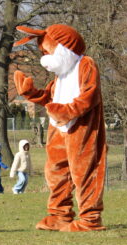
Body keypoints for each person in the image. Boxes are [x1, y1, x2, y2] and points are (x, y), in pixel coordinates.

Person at [14, 24, 108, 231]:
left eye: (48, 51)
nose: (45, 58)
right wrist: (30, 93)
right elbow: (50, 97)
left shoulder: (86, 65)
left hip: (81, 129)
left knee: (84, 172)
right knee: (56, 171)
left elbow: (90, 95)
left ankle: (90, 219)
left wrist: (67, 111)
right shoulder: (60, 76)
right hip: (58, 130)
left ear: (65, 47)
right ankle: (59, 215)